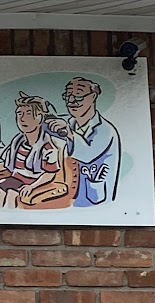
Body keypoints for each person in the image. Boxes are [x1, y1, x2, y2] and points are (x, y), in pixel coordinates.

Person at [0, 93, 76, 208]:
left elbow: (50, 173)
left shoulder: (48, 147)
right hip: (16, 179)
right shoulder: (17, 142)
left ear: (40, 119)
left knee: (12, 194)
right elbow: (6, 165)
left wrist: (32, 186)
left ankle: (11, 223)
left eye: (28, 114)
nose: (23, 119)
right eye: (19, 114)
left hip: (35, 181)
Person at [47, 75, 121, 207]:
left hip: (94, 204)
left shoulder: (105, 130)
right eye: (67, 96)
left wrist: (68, 133)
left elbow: (87, 155)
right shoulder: (68, 123)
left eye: (78, 96)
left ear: (93, 97)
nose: (71, 101)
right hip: (66, 199)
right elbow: (46, 124)